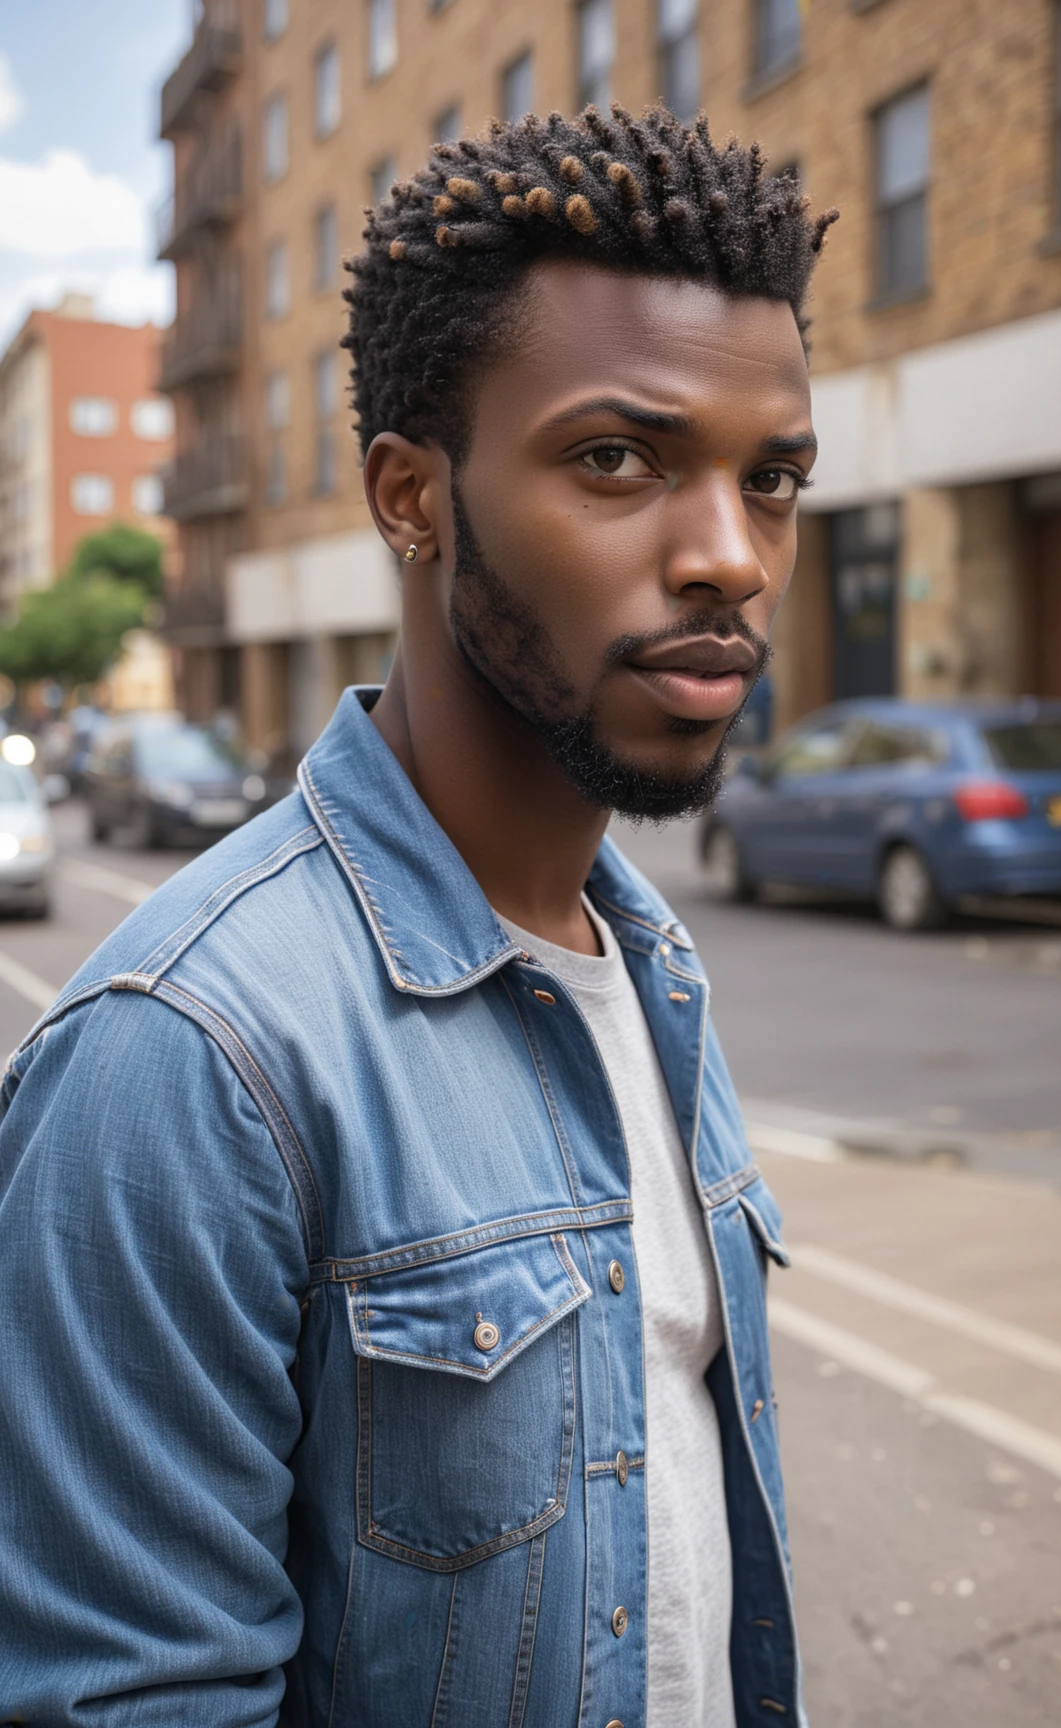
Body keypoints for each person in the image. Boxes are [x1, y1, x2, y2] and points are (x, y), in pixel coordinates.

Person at [0, 105, 833, 1726]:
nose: (732, 555)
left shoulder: (651, 967)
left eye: (775, 479)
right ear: (411, 496)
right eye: (618, 459)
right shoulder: (183, 1065)